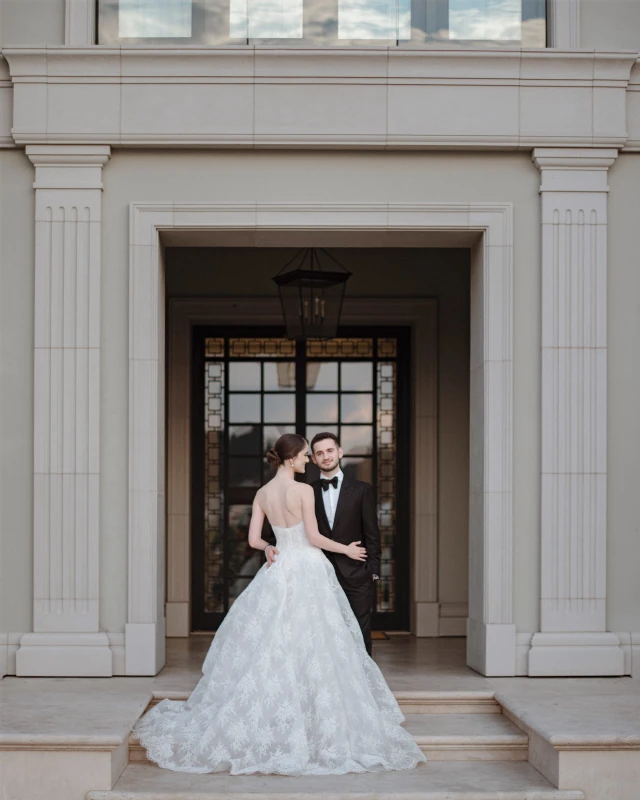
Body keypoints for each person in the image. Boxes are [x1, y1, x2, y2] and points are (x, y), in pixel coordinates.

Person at [133, 433, 425, 776]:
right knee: (317, 639)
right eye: (305, 455)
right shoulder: (304, 491)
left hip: (282, 567)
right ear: (291, 459)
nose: (308, 461)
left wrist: (269, 550)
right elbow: (314, 538)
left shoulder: (262, 493)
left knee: (277, 638)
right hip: (310, 567)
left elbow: (256, 538)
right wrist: (346, 549)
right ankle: (316, 711)